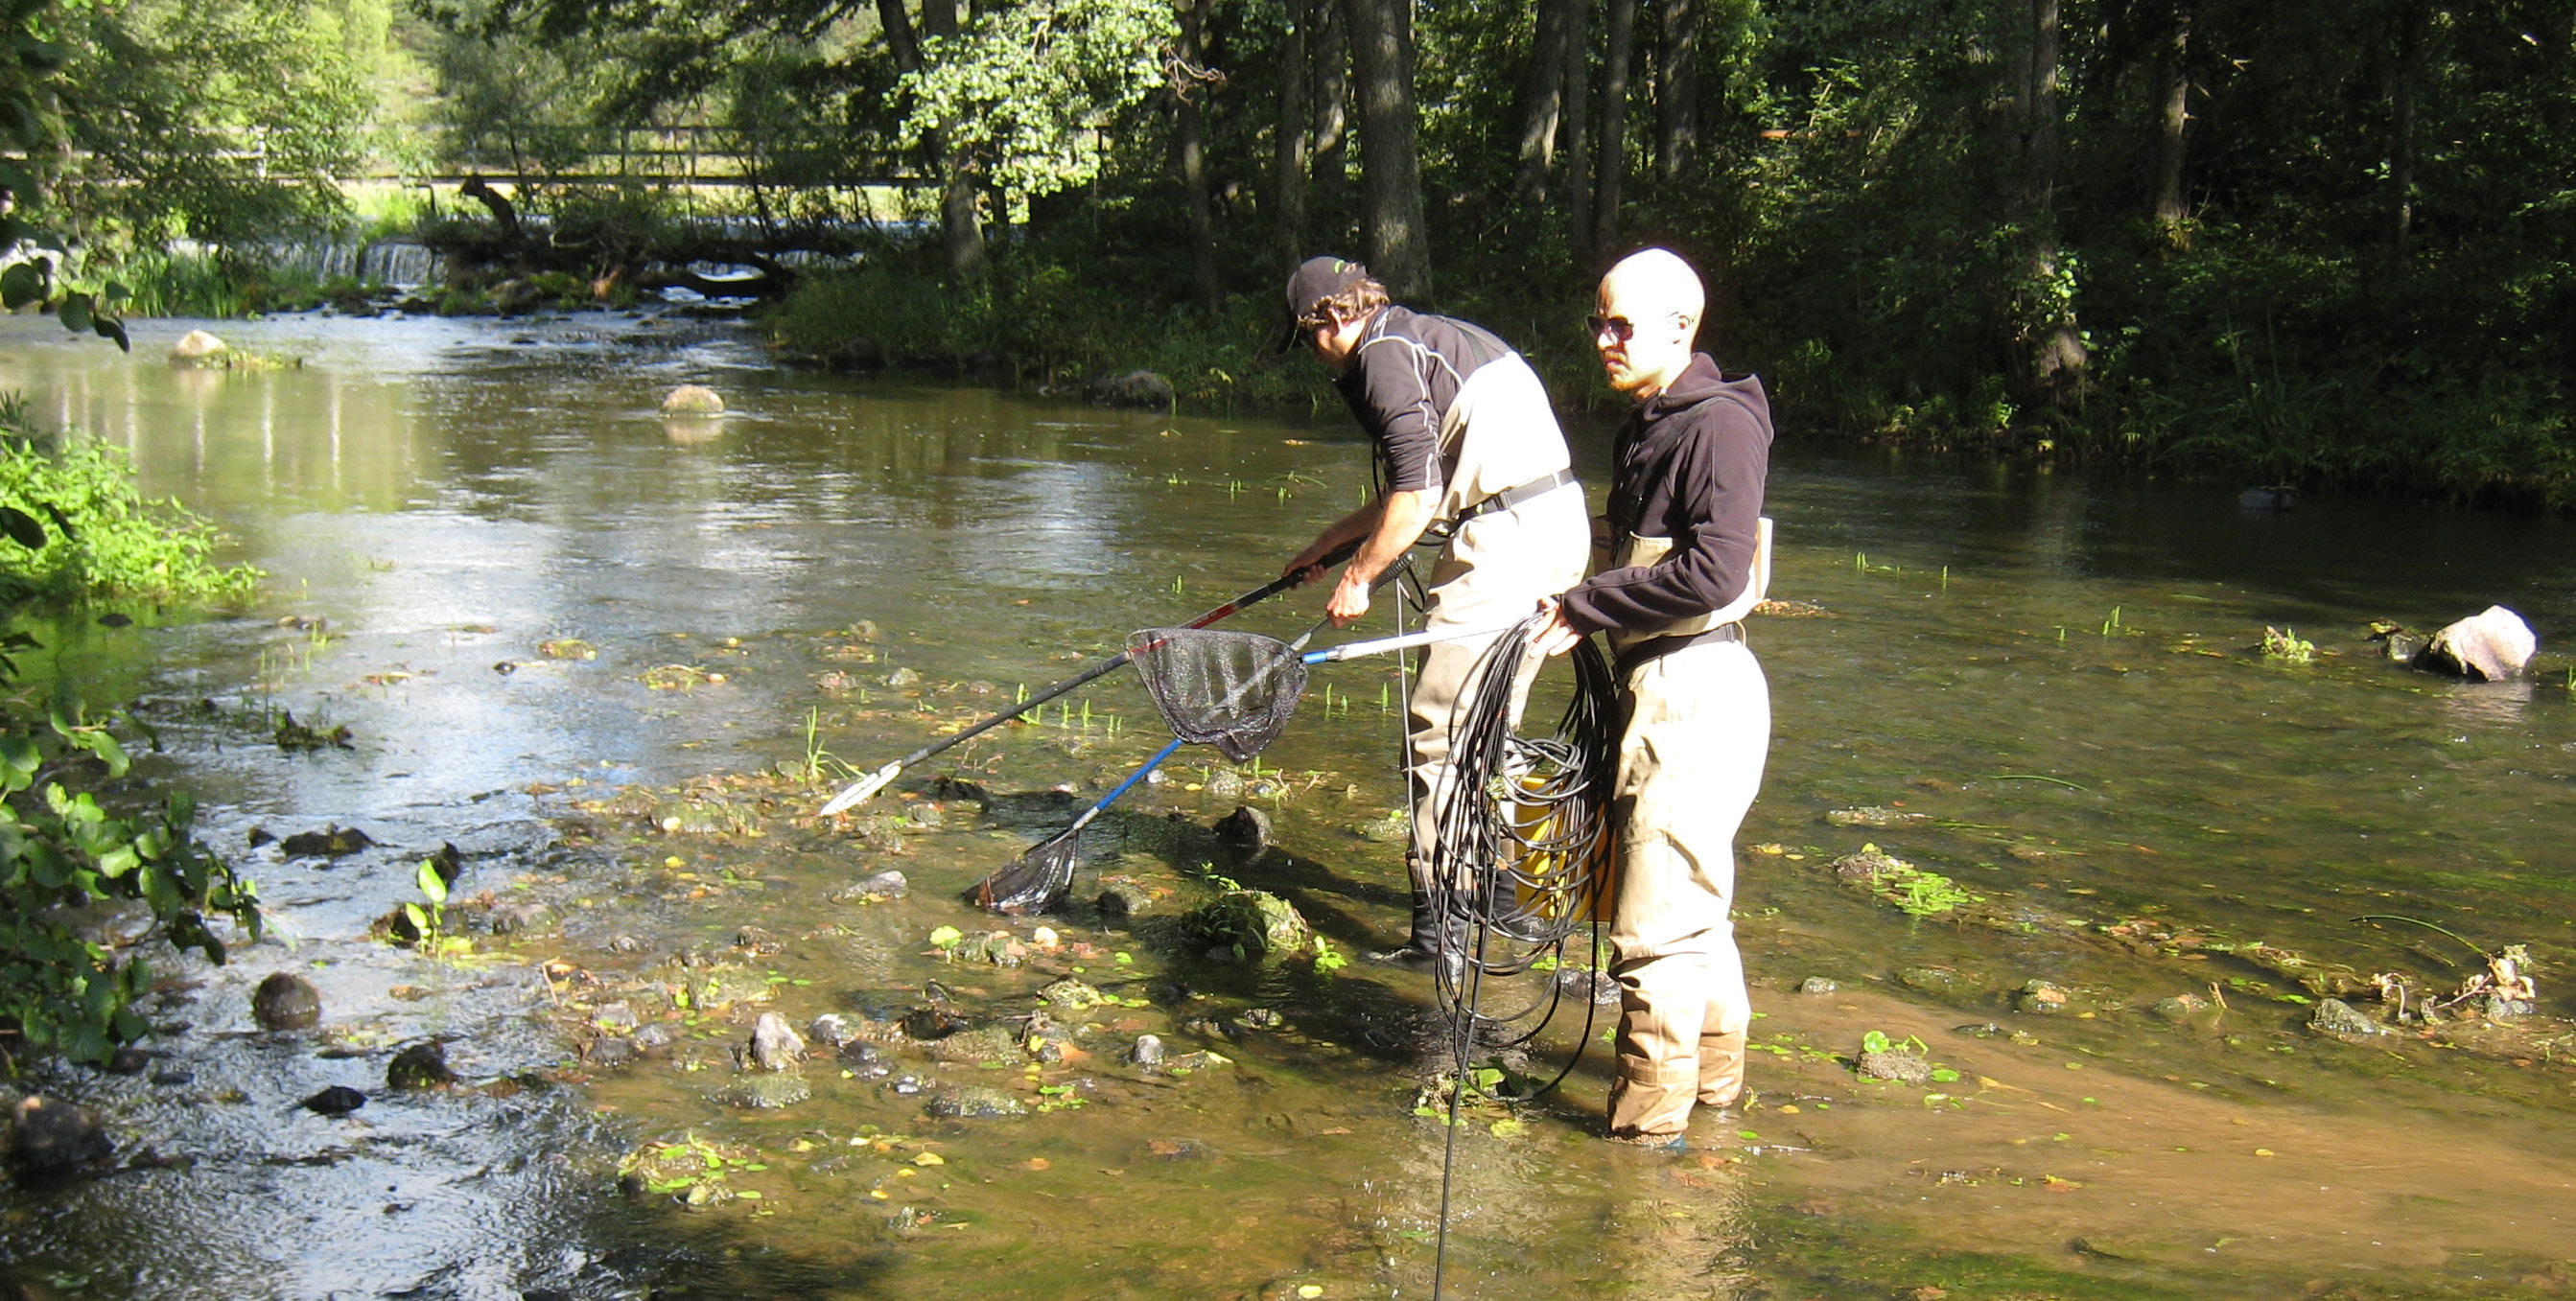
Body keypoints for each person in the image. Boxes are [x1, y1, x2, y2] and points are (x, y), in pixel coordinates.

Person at [1277, 256, 1591, 970]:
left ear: (1326, 320)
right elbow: (1419, 488)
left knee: (1440, 737)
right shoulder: (1434, 336)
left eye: (1305, 339)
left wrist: (1358, 576)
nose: (1315, 357)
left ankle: (1438, 940)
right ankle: (1500, 908)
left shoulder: (1383, 356)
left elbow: (1417, 500)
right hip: (1554, 524)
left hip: (1502, 544)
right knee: (1491, 728)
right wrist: (1329, 544)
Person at [1533, 247, 1773, 1144]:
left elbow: (1716, 571)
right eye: (1598, 320)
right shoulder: (1649, 421)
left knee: (1653, 932)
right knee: (1692, 913)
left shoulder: (1721, 426)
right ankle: (1714, 1117)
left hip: (1696, 690)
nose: (1604, 337)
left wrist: (1584, 605)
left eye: (1622, 323)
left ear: (1684, 326)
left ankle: (1645, 1146)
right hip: (1660, 682)